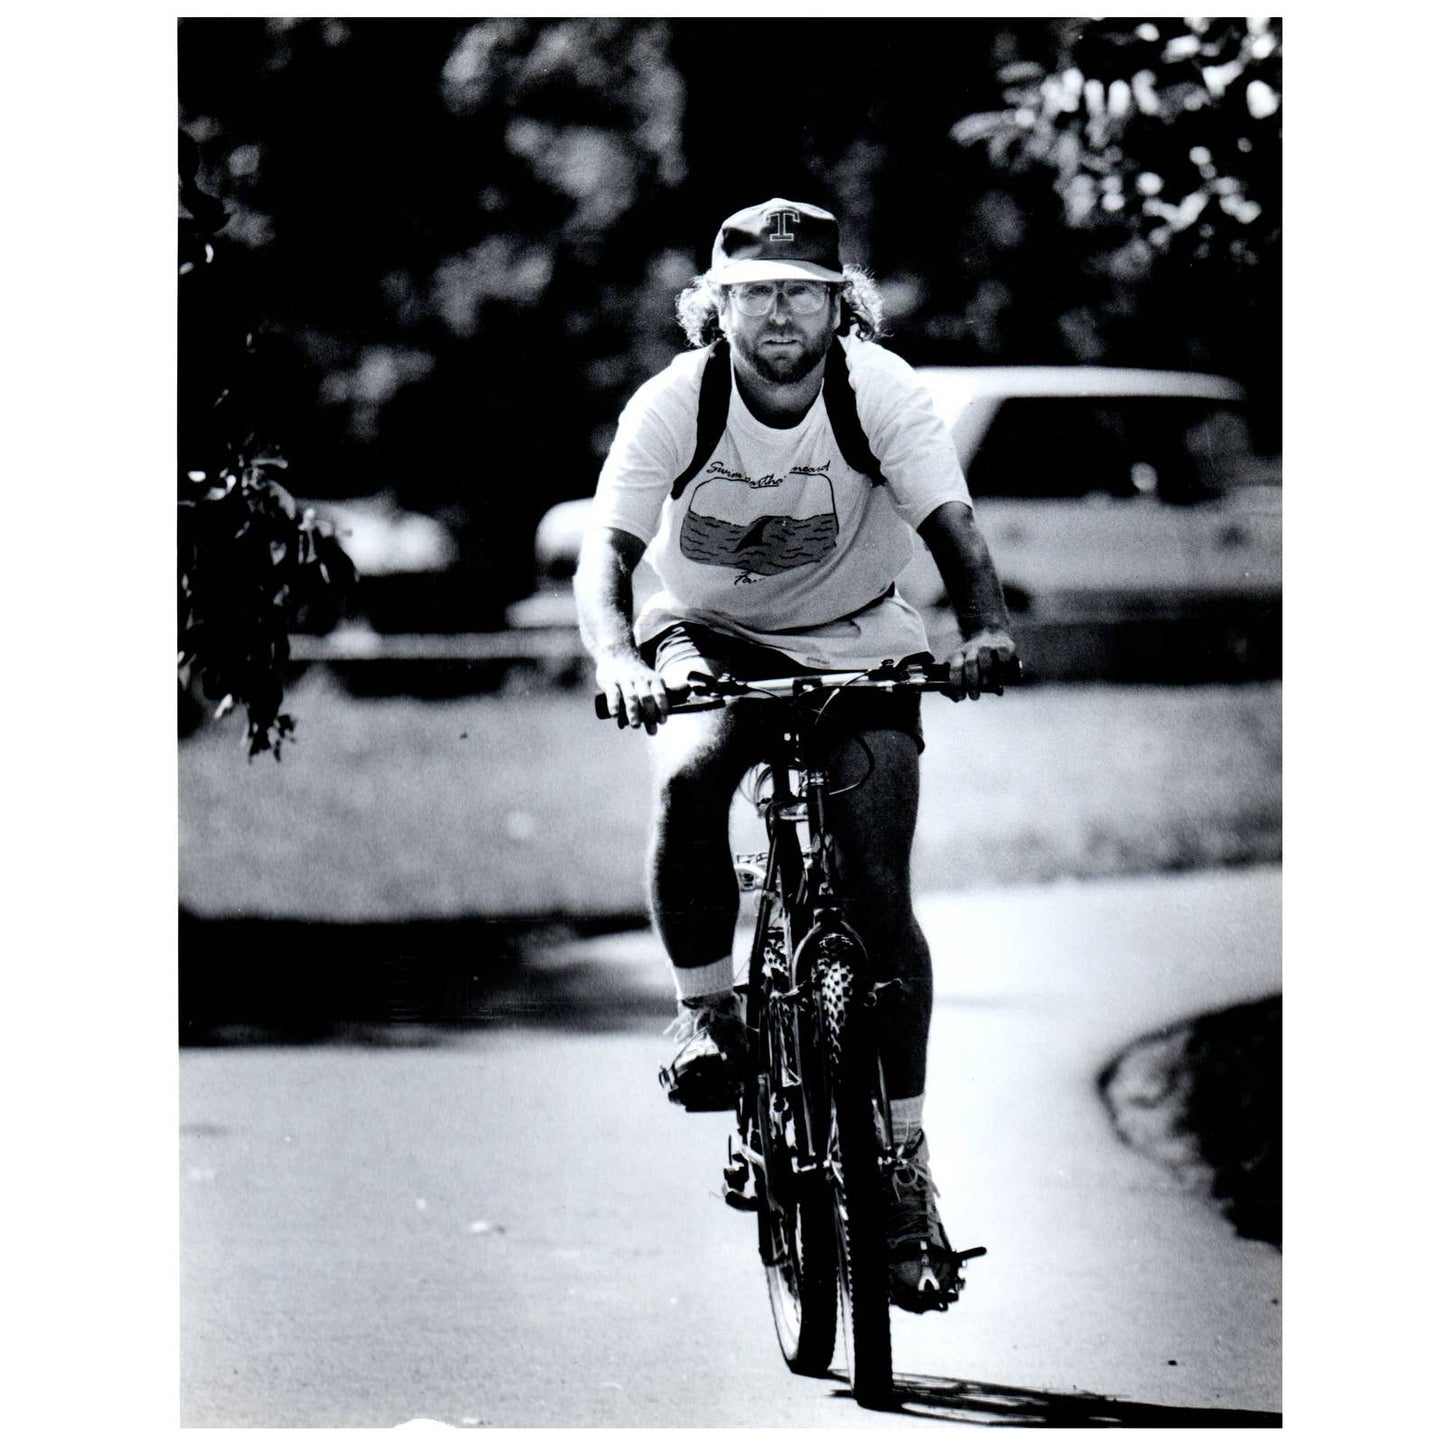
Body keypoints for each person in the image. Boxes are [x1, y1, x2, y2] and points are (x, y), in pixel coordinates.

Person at [574, 198, 1017, 1312]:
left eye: (801, 291)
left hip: (861, 626)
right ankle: (706, 1013)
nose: (778, 312)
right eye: (754, 292)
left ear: (838, 303)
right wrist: (621, 656)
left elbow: (952, 530)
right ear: (714, 307)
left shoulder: (881, 392)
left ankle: (904, 1163)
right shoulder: (677, 402)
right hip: (708, 630)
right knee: (684, 771)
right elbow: (606, 556)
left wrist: (985, 630)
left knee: (876, 896)